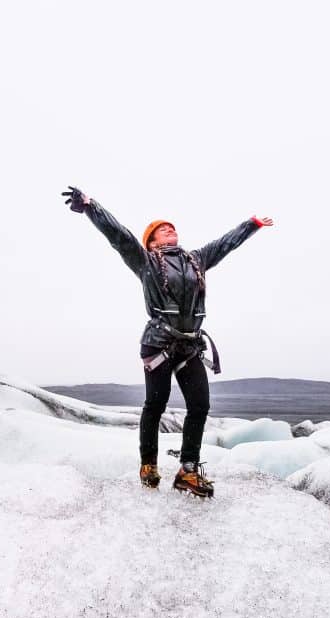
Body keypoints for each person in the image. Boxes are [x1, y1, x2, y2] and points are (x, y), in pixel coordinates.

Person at [62, 185, 274, 497]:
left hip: (189, 344)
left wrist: (251, 224)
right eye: (161, 230)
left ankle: (188, 471)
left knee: (200, 405)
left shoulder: (196, 260)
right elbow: (119, 236)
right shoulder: (145, 261)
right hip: (158, 343)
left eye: (171, 227)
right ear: (151, 241)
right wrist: (91, 207)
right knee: (156, 404)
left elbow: (225, 244)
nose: (168, 230)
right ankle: (148, 464)